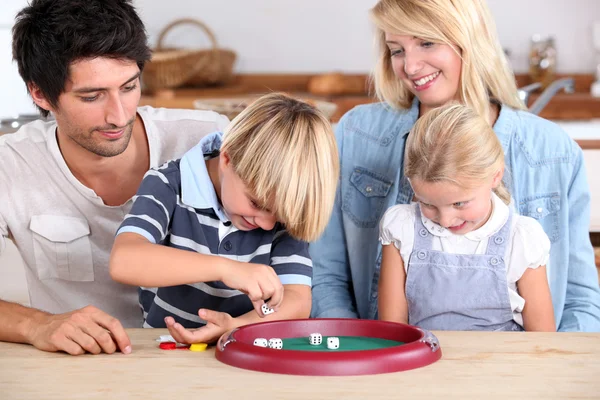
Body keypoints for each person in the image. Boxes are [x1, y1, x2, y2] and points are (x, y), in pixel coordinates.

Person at [310, 0, 600, 332]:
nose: (411, 66)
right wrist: (354, 350)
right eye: (396, 50)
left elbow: (580, 298)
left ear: (469, 40)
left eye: (427, 42)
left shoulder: (552, 151)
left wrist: (556, 370)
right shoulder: (355, 134)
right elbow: (325, 274)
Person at [0, 0, 230, 355]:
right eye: (92, 96)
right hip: (79, 368)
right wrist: (37, 324)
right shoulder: (11, 164)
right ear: (40, 94)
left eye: (129, 86)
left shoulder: (206, 140)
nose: (119, 115)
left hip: (202, 359)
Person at [109, 93, 339, 344]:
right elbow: (124, 261)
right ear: (227, 158)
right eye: (256, 203)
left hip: (244, 349)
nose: (267, 224)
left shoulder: (285, 207)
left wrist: (237, 327)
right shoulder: (168, 184)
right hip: (164, 352)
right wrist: (226, 269)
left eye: (278, 216)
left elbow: (298, 300)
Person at [378, 103, 555, 331]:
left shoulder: (521, 238)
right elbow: (393, 331)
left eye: (459, 203)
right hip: (426, 365)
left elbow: (543, 339)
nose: (445, 220)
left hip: (505, 365)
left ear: (495, 176)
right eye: (428, 204)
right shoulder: (402, 228)